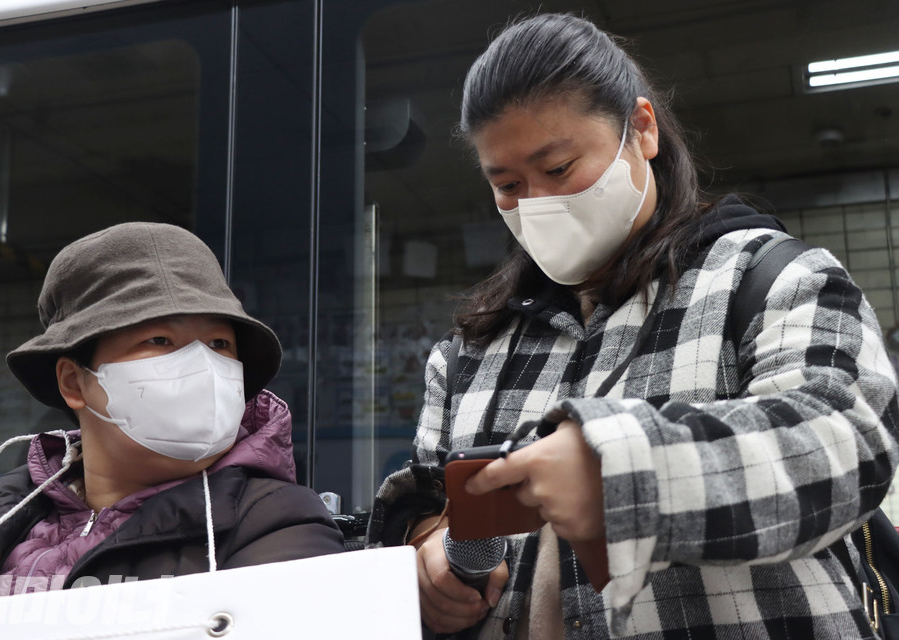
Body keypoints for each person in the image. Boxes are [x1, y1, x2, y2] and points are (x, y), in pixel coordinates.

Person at [366, 13, 899, 639]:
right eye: (507, 185)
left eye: (560, 168)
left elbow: (846, 445)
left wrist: (621, 473)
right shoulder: (469, 355)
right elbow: (435, 499)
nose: (537, 202)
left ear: (641, 130)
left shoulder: (768, 279)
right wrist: (429, 557)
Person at [0, 222, 345, 602]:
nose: (202, 365)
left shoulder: (274, 520)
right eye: (160, 339)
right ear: (74, 383)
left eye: (220, 344)